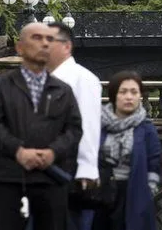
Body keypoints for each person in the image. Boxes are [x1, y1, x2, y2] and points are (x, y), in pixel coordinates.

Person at [0, 22, 83, 230]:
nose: (45, 43)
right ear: (20, 48)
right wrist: (18, 151)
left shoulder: (63, 90)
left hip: (51, 178)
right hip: (9, 179)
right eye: (37, 38)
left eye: (49, 39)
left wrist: (53, 152)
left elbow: (74, 129)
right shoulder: (3, 86)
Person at [47, 22, 102, 230]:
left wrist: (87, 171)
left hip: (72, 172)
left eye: (49, 41)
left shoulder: (82, 78)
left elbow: (88, 126)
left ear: (66, 46)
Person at [93, 71, 162, 230]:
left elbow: (154, 162)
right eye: (123, 92)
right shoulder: (97, 124)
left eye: (134, 92)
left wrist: (148, 191)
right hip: (100, 194)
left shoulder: (146, 128)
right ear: (114, 94)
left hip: (135, 193)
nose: (129, 97)